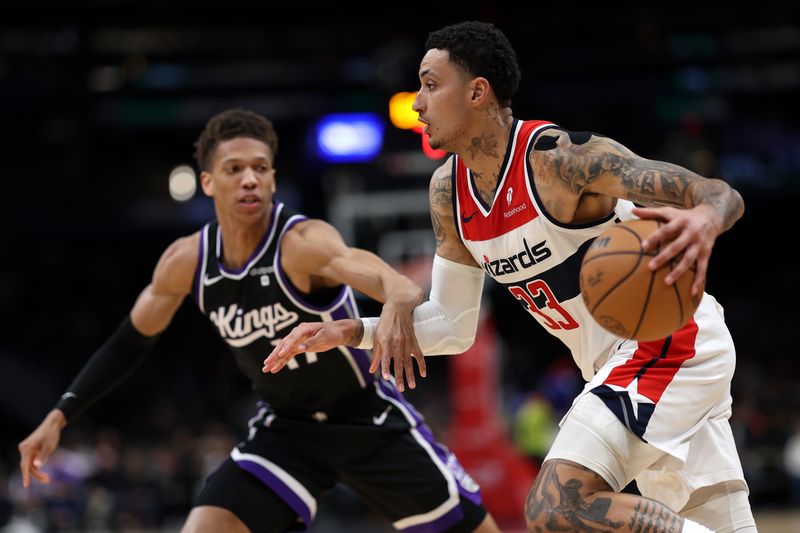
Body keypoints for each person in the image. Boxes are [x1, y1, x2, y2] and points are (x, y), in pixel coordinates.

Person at [264, 22, 758, 533]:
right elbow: (453, 325)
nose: (417, 103)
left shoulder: (560, 161)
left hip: (670, 343)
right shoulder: (449, 195)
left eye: (431, 85)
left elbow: (719, 193)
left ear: (478, 92)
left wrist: (703, 219)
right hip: (616, 364)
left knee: (555, 505)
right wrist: (350, 330)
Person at [18, 109, 501, 533]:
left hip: (364, 417)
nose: (249, 178)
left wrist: (396, 300)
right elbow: (129, 342)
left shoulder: (302, 242)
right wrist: (59, 416)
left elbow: (391, 279)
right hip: (287, 430)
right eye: (234, 169)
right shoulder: (187, 262)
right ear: (207, 181)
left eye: (260, 168)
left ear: (272, 180)